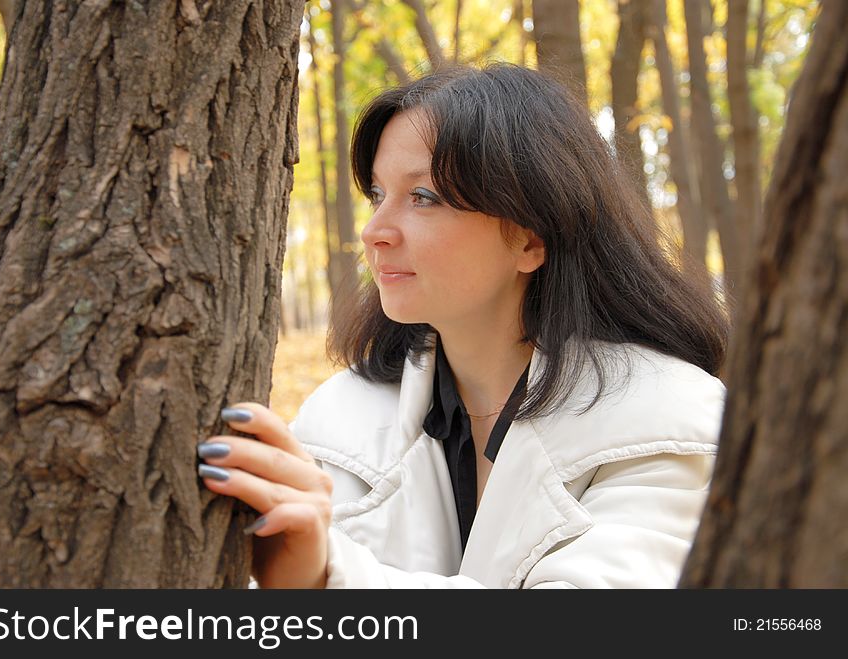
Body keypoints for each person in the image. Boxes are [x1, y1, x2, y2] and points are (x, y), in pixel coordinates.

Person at [197, 63, 729, 589]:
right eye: (378, 195)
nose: (374, 231)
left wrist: (326, 577)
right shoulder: (339, 419)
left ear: (531, 238)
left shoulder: (669, 420)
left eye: (423, 197)